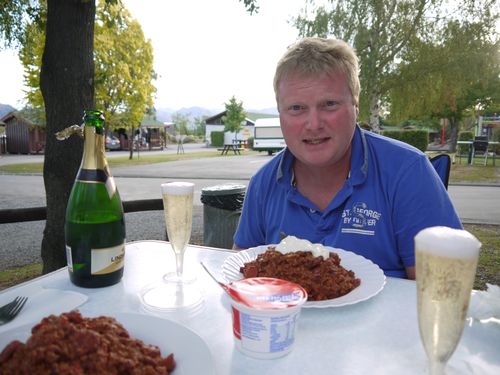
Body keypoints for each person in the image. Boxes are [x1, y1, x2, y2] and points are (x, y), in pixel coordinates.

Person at [232, 37, 462, 279]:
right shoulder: (263, 183)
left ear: (355, 104)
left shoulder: (408, 172)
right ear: (280, 113)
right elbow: (243, 269)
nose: (313, 124)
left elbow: (442, 286)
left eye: (329, 104)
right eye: (297, 108)